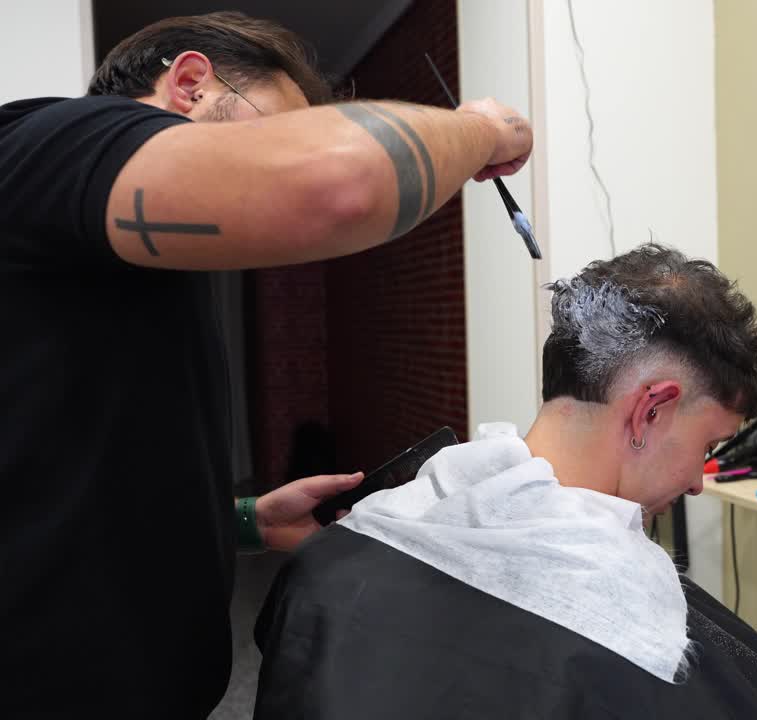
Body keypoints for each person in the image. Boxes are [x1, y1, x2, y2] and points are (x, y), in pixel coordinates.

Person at [0, 11, 532, 717]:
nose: (271, 159)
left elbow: (69, 463)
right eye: (271, 130)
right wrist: (485, 130)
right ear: (190, 83)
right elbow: (340, 185)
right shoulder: (46, 142)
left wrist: (244, 520)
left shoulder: (135, 252)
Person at [253, 245, 757, 719]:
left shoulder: (348, 544)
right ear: (651, 408)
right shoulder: (615, 640)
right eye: (709, 445)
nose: (698, 482)